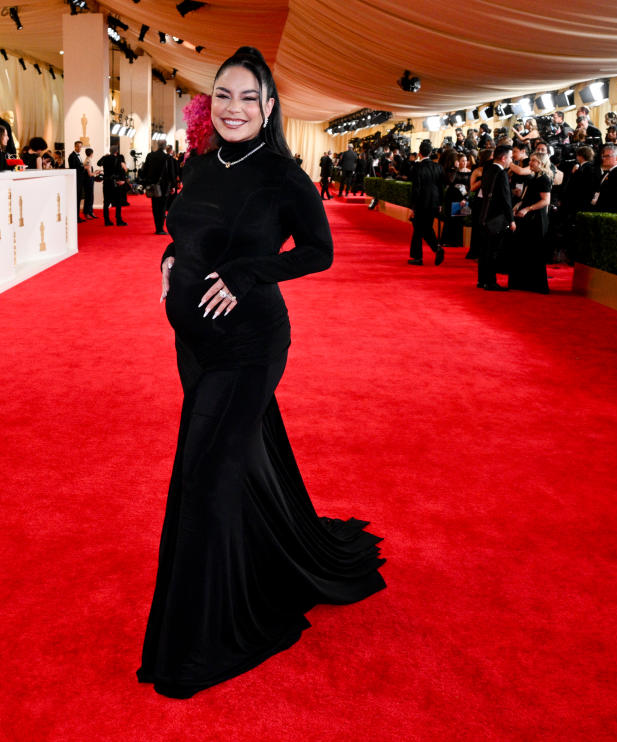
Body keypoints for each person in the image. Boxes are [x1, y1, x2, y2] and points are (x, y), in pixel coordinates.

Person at [138, 45, 385, 700]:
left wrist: (251, 273)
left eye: (249, 97)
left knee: (204, 473)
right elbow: (188, 231)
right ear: (208, 102)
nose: (235, 108)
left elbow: (319, 251)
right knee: (230, 465)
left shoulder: (282, 174)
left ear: (269, 107)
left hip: (249, 345)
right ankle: (269, 559)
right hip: (193, 345)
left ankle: (207, 640)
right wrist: (170, 256)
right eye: (224, 95)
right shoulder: (199, 162)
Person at [509, 152, 552, 293]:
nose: (531, 163)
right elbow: (527, 196)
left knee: (534, 250)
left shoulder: (544, 179)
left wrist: (528, 208)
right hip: (527, 216)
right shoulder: (533, 177)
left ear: (541, 163)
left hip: (536, 219)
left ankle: (535, 284)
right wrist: (519, 204)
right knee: (523, 248)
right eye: (531, 160)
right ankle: (522, 282)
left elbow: (546, 200)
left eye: (534, 161)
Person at [477, 144, 515, 290]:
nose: (510, 160)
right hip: (496, 218)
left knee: (484, 250)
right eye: (510, 158)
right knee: (493, 251)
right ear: (504, 158)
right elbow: (506, 199)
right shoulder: (501, 174)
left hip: (484, 215)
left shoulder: (488, 170)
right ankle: (490, 282)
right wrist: (511, 219)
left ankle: (482, 280)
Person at [405, 139, 446, 266]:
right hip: (434, 203)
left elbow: (416, 189)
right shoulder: (438, 167)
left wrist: (412, 207)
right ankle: (436, 248)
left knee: (418, 229)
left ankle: (418, 257)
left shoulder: (417, 167)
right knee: (427, 228)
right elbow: (441, 187)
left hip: (421, 202)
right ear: (430, 152)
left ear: (420, 153)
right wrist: (440, 204)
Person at [140, 140, 174, 234]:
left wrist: (145, 182)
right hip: (164, 185)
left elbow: (144, 170)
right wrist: (173, 185)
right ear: (165, 146)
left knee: (155, 207)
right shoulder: (167, 157)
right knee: (162, 207)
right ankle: (160, 228)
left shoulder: (150, 156)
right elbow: (171, 173)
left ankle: (157, 227)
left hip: (152, 185)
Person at [589, 144, 617, 214]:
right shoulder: (607, 173)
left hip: (609, 216)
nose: (603, 158)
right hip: (598, 212)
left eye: (607, 156)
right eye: (603, 156)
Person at [97, 144, 128, 226]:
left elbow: (98, 163)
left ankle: (107, 221)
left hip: (106, 182)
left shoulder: (105, 158)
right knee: (118, 202)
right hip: (114, 183)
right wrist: (123, 180)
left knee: (106, 202)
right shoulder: (117, 159)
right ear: (116, 151)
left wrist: (104, 156)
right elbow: (120, 171)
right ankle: (118, 220)